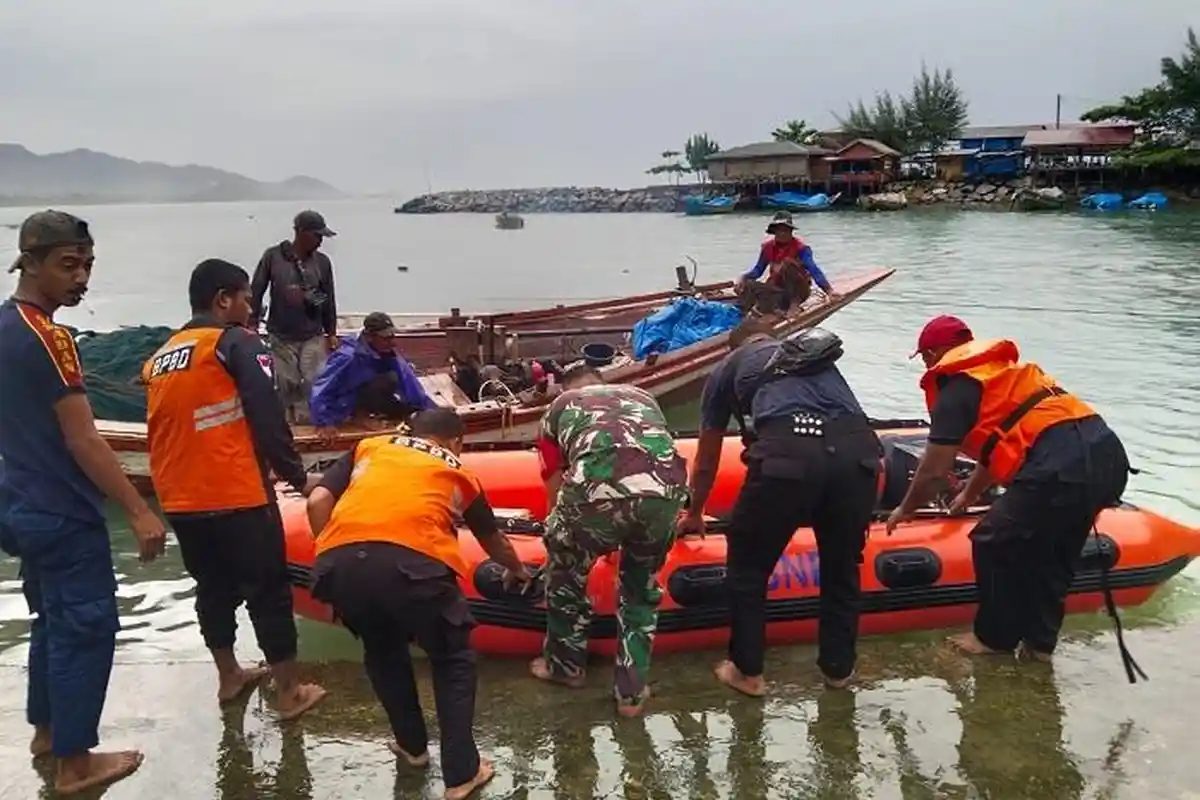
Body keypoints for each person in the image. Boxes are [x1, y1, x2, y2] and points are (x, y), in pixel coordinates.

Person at [0, 210, 167, 794]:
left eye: (88, 265)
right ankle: (75, 763)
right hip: (63, 511)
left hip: (18, 507)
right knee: (86, 629)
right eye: (68, 265)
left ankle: (48, 733)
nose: (82, 279)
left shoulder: (2, 326)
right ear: (32, 263)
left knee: (52, 622)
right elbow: (84, 437)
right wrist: (139, 508)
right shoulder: (52, 339)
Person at [305, 408, 531, 800]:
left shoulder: (370, 447)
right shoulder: (458, 471)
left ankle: (412, 748)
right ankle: (462, 773)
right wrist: (519, 571)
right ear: (455, 442)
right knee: (452, 658)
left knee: (382, 650)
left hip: (339, 561)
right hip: (415, 563)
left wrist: (338, 555)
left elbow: (317, 501)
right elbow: (493, 541)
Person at [885, 316, 1133, 666]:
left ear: (935, 352)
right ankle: (1040, 645)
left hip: (1059, 464)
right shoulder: (1000, 374)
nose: (927, 364)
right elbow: (998, 446)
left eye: (925, 357)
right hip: (1106, 455)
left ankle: (992, 638)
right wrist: (968, 496)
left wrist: (906, 509)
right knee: (1055, 554)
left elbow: (934, 469)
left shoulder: (955, 388)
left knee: (992, 540)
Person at [142, 258, 326, 719]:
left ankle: (229, 676)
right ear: (223, 299)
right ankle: (289, 693)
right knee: (269, 592)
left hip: (179, 499)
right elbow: (268, 417)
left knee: (213, 589)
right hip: (235, 493)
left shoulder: (163, 354)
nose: (250, 305)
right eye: (246, 296)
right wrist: (300, 479)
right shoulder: (237, 344)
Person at [678, 318, 881, 694]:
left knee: (749, 565)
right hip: (859, 455)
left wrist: (694, 512)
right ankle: (838, 670)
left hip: (789, 457)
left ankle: (748, 671)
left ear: (732, 348)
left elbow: (706, 460)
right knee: (842, 565)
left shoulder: (727, 370)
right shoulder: (817, 359)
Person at [532, 364, 688, 716]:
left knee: (566, 577)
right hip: (665, 495)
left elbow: (553, 478)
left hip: (593, 495)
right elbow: (661, 451)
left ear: (565, 389)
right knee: (640, 592)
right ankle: (630, 694)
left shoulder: (559, 407)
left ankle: (565, 668)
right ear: (604, 384)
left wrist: (556, 532)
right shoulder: (643, 397)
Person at [250, 210, 339, 423]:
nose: (320, 242)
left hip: (313, 334)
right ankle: (284, 426)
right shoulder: (272, 257)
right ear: (301, 233)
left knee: (314, 381)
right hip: (280, 336)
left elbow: (329, 300)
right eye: (316, 236)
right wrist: (251, 324)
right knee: (283, 382)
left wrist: (332, 333)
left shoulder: (323, 263)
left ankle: (313, 422)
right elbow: (256, 291)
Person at [309, 311, 436, 443]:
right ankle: (359, 416)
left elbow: (410, 383)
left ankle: (376, 415)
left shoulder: (388, 354)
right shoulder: (347, 356)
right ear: (369, 337)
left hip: (370, 398)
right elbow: (322, 389)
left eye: (392, 336)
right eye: (386, 338)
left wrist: (431, 411)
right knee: (379, 382)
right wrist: (324, 423)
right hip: (342, 404)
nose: (392, 342)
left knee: (394, 383)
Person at [734, 211, 839, 315]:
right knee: (748, 284)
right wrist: (743, 278)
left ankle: (794, 305)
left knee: (788, 264)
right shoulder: (767, 247)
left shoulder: (801, 248)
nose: (782, 233)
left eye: (785, 230)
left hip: (798, 292)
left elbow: (813, 269)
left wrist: (829, 290)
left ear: (791, 231)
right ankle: (745, 312)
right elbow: (758, 270)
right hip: (777, 290)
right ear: (774, 231)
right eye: (779, 230)